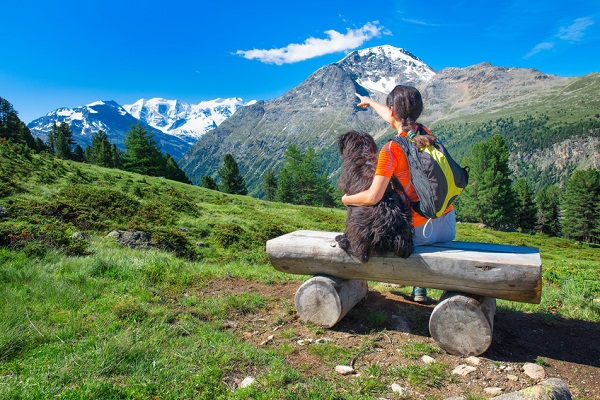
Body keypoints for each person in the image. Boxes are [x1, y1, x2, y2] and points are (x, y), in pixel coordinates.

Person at [342, 85, 456, 303]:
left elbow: (372, 197)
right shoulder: (425, 134)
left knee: (389, 217)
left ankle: (406, 278)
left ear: (393, 111)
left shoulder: (390, 150)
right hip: (447, 224)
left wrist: (346, 199)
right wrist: (370, 102)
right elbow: (396, 119)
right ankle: (419, 288)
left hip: (422, 234)